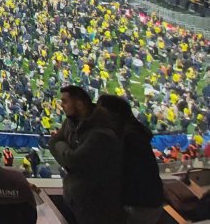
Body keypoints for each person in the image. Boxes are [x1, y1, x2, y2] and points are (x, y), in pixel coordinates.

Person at [49, 86, 125, 224]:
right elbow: (53, 141)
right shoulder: (70, 122)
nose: (62, 106)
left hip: (97, 207)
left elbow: (72, 160)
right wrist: (64, 149)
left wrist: (62, 148)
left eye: (65, 101)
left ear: (79, 104)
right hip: (76, 200)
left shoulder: (102, 132)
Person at [97, 94, 164, 224]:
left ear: (112, 114)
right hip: (147, 202)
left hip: (139, 205)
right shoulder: (133, 132)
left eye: (100, 112)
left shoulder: (128, 138)